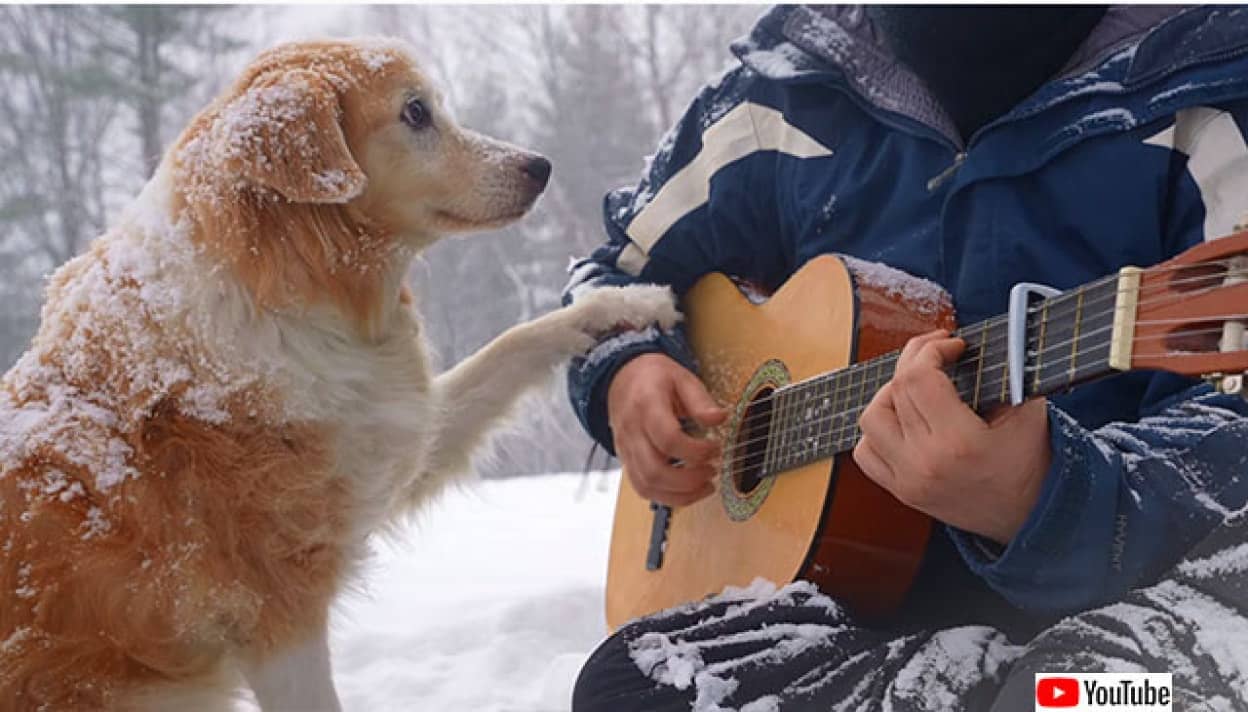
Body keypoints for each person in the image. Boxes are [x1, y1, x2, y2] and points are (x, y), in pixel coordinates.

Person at [561, 5, 1248, 711]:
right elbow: (619, 269)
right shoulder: (788, 88)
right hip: (879, 620)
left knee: (1088, 699)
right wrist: (626, 364)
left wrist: (1046, 496)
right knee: (640, 683)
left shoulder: (1212, 83)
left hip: (1139, 608)